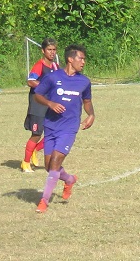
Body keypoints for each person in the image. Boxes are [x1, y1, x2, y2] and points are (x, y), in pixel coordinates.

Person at [32, 44, 95, 214]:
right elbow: (38, 94)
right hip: (51, 126)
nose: (83, 62)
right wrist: (50, 103)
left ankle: (44, 201)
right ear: (70, 59)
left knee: (55, 163)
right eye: (80, 58)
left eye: (84, 59)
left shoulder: (84, 81)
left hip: (69, 128)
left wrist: (91, 115)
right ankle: (69, 179)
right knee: (48, 166)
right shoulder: (53, 77)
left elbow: (87, 102)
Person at [22, 38, 60, 172]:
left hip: (50, 104)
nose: (52, 52)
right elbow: (30, 81)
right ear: (43, 51)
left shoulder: (55, 66)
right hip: (38, 104)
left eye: (54, 49)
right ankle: (25, 163)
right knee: (37, 134)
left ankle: (35, 150)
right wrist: (45, 86)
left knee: (54, 132)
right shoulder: (39, 65)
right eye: (49, 50)